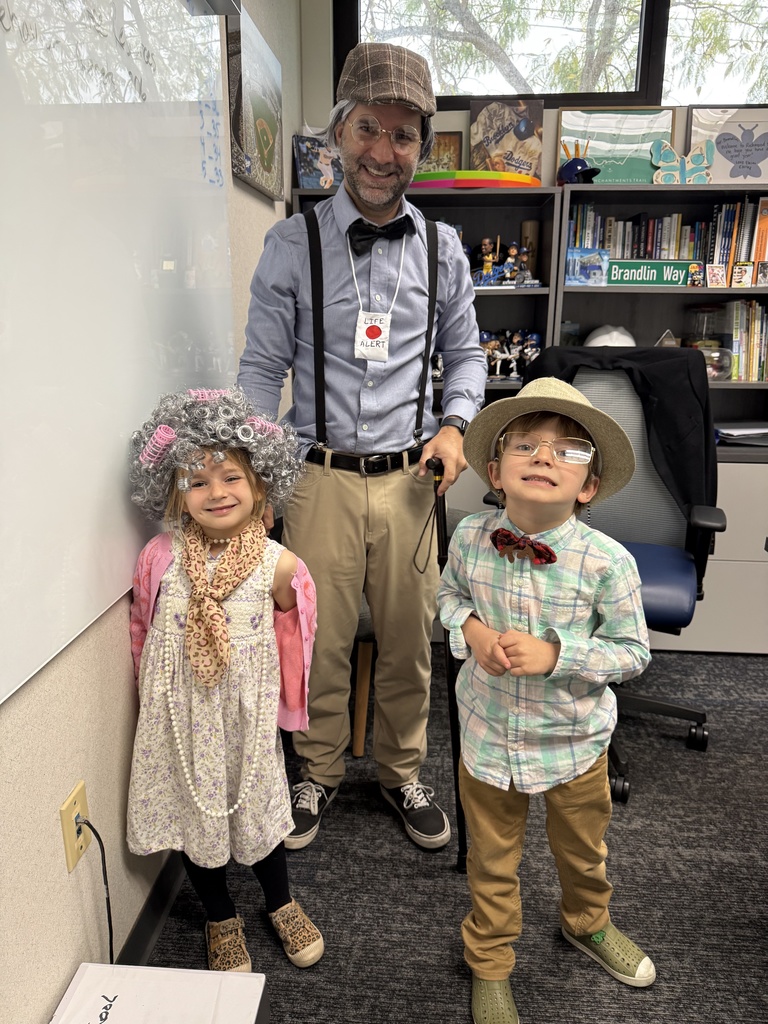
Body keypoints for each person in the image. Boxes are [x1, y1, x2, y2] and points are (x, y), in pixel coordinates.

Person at [238, 41, 487, 851]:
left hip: (415, 478)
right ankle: (315, 774)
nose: (385, 152)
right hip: (319, 479)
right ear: (338, 133)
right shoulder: (290, 245)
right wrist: (255, 476)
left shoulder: (444, 249)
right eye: (370, 129)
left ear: (422, 145)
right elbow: (260, 372)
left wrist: (455, 424)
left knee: (413, 642)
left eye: (405, 135)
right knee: (319, 639)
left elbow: (470, 357)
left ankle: (400, 770)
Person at [437, 378, 655, 1024]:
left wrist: (560, 655)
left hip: (575, 744)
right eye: (525, 444)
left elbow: (633, 652)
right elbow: (449, 599)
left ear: (587, 487)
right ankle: (490, 963)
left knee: (584, 851)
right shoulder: (471, 538)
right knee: (491, 860)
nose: (543, 457)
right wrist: (470, 631)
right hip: (488, 738)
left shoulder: (607, 564)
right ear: (496, 470)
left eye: (567, 451)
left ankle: (586, 923)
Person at [127, 387, 324, 973]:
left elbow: (297, 645)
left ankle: (280, 901)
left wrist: (289, 713)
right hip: (181, 720)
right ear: (175, 494)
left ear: (260, 485)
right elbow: (142, 631)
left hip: (246, 717)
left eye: (231, 477)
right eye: (197, 481)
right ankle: (219, 915)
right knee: (196, 818)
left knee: (260, 814)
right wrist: (148, 704)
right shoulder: (161, 557)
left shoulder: (278, 565)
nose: (216, 492)